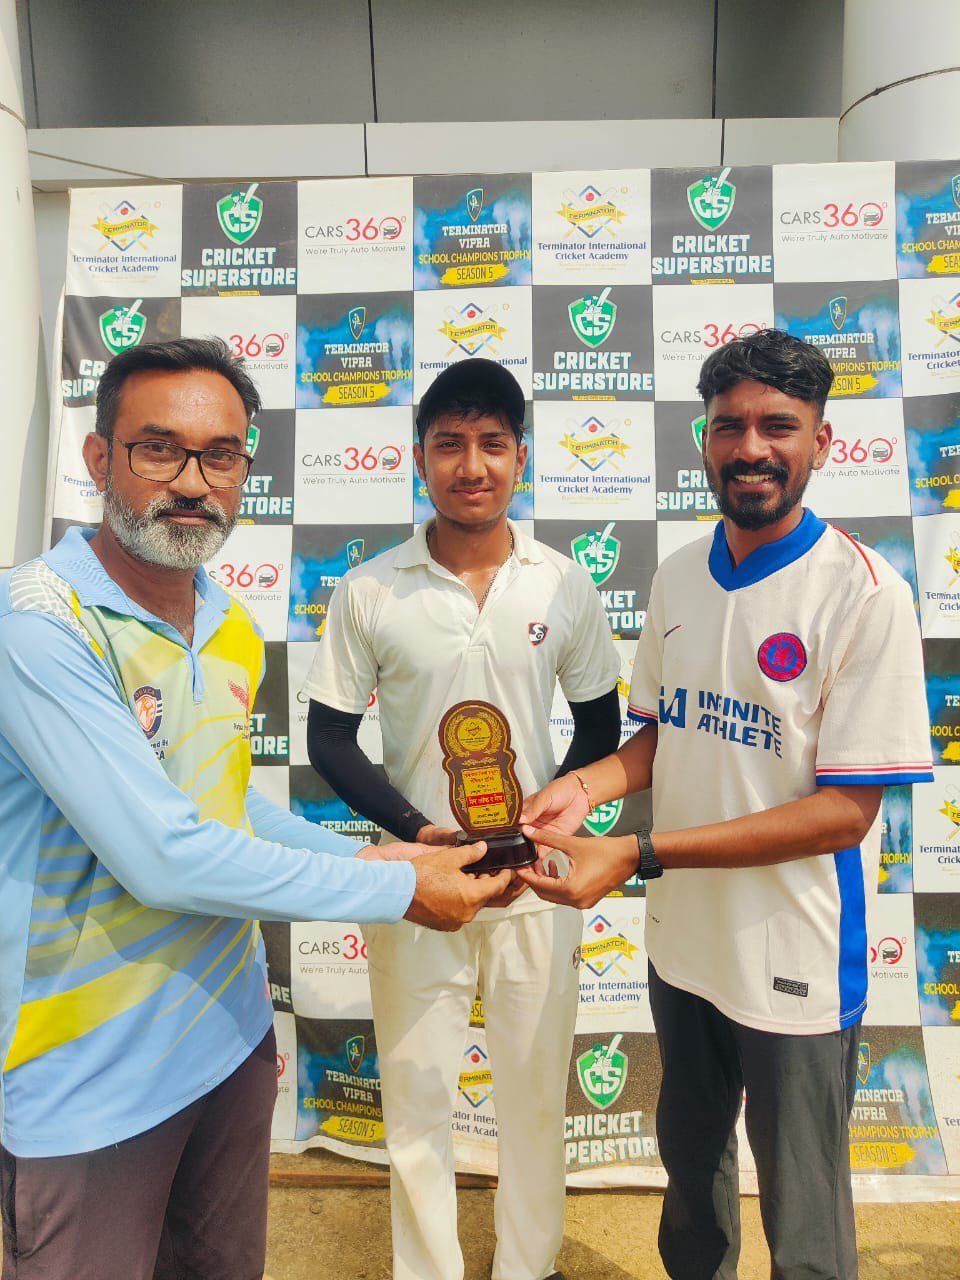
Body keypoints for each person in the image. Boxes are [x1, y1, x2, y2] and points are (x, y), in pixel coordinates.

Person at [0, 338, 511, 1280]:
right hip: (90, 1083)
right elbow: (163, 856)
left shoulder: (226, 619)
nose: (194, 482)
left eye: (221, 456)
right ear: (99, 458)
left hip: (227, 1049)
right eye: (159, 449)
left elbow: (225, 805)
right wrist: (399, 894)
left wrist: (389, 856)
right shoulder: (39, 623)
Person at [516, 329, 933, 1280]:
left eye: (778, 426)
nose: (751, 448)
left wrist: (638, 853)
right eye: (729, 426)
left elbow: (845, 815)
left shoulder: (866, 594)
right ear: (702, 440)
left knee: (805, 1217)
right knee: (692, 1178)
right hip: (685, 942)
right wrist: (584, 787)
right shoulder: (678, 575)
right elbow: (661, 736)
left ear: (821, 441)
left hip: (794, 954)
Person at [304, 357, 621, 1280]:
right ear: (419, 459)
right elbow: (329, 739)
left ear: (521, 456)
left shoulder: (562, 583)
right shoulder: (371, 587)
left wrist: (555, 816)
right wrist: (416, 831)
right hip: (419, 882)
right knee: (415, 1103)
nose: (471, 465)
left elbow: (600, 723)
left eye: (492, 444)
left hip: (533, 879)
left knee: (534, 1099)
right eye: (449, 445)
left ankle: (530, 1267)